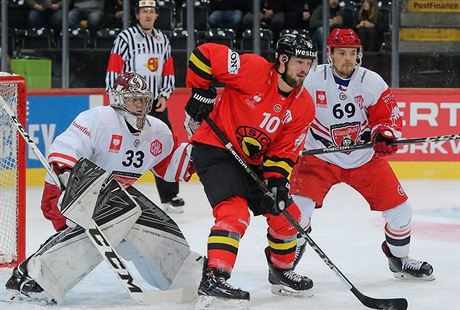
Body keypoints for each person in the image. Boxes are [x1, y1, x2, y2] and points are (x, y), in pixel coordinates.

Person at [3, 72, 202, 304]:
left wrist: (202, 142)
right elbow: (66, 147)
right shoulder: (99, 119)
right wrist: (68, 176)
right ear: (118, 99)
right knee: (117, 211)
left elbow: (175, 168)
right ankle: (35, 278)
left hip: (117, 196)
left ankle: (185, 273)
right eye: (132, 98)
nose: (139, 104)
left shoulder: (157, 130)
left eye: (143, 99)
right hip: (65, 192)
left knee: (153, 221)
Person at [184, 32, 317, 309]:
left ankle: (280, 270)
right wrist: (201, 90)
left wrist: (278, 182)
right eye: (298, 61)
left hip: (252, 162)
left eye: (308, 62)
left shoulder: (303, 105)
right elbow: (205, 54)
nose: (304, 69)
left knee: (288, 214)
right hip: (215, 149)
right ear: (282, 59)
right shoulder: (254, 70)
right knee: (234, 212)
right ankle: (215, 276)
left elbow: (283, 152)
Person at [290, 28, 435, 281]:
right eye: (341, 53)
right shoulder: (312, 79)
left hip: (363, 158)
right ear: (330, 54)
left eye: (352, 53)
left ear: (359, 54)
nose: (347, 58)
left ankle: (399, 259)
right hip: (319, 157)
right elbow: (288, 109)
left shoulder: (371, 82)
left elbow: (387, 118)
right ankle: (284, 266)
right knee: (297, 212)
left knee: (401, 212)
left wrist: (383, 135)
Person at [105, 0, 185, 214]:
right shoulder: (125, 38)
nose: (147, 15)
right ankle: (109, 191)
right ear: (137, 15)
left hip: (156, 103)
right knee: (121, 146)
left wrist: (165, 94)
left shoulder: (162, 40)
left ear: (156, 15)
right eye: (143, 11)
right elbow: (114, 67)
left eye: (151, 11)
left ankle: (170, 195)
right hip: (130, 103)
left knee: (164, 145)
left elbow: (167, 70)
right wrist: (116, 98)